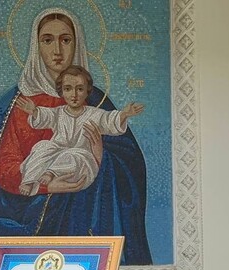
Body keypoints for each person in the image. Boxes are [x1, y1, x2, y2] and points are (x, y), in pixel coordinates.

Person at [0, 7, 152, 265]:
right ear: (35, 45)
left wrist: (100, 158)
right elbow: (1, 169)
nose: (57, 51)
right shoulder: (16, 103)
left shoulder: (96, 102)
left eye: (65, 39)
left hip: (85, 215)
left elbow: (130, 165)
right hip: (30, 214)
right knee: (43, 150)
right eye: (47, 40)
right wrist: (47, 186)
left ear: (78, 43)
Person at [15, 65, 144, 196]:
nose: (74, 95)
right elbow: (45, 116)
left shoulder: (94, 114)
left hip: (82, 160)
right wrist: (34, 111)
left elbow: (109, 120)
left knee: (72, 155)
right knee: (42, 146)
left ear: (87, 91)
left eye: (80, 89)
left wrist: (124, 114)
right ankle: (29, 180)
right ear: (62, 92)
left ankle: (51, 173)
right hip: (58, 153)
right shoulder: (59, 113)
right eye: (68, 89)